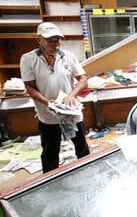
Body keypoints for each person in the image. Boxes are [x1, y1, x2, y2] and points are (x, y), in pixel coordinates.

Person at [20, 22, 90, 173]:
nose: (55, 44)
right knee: (50, 152)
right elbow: (30, 87)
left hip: (71, 113)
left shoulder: (68, 57)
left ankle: (88, 172)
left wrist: (72, 95)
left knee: (82, 147)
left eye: (57, 39)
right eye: (50, 40)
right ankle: (50, 182)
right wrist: (47, 102)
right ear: (39, 40)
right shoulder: (28, 59)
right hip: (48, 115)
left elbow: (83, 80)